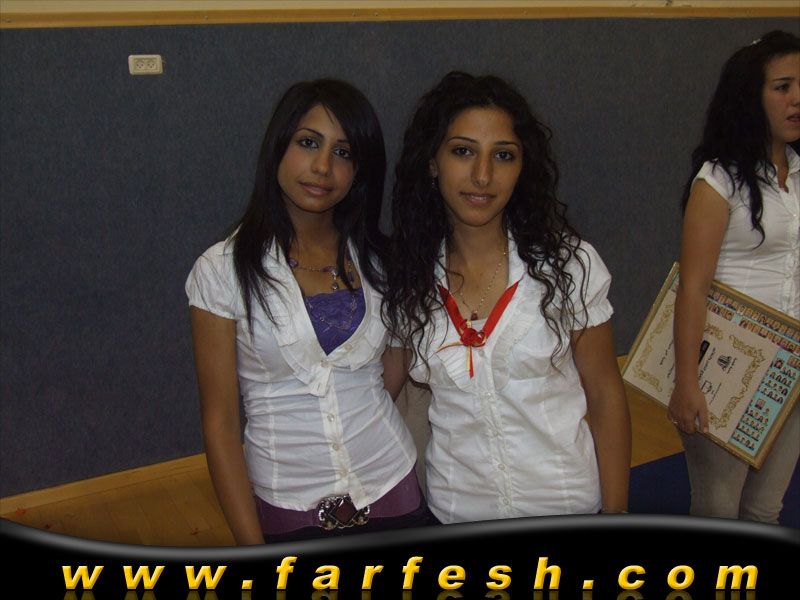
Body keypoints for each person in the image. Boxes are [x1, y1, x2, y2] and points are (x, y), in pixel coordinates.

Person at [186, 79, 431, 544]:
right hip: (289, 507)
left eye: (343, 152)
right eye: (308, 143)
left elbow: (393, 364)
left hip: (393, 486)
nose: (322, 167)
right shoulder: (221, 270)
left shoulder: (381, 262)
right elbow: (220, 425)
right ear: (278, 147)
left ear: (359, 170)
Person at [383, 72, 631, 524]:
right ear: (433, 162)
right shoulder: (406, 280)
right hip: (458, 514)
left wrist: (616, 515)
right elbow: (376, 393)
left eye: (503, 155)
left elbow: (605, 393)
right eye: (462, 151)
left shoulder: (569, 266)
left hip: (567, 508)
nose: (483, 175)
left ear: (522, 167)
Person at [667, 30, 800, 523]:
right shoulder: (718, 180)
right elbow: (692, 288)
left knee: (764, 509)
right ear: (751, 96)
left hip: (791, 369)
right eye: (782, 87)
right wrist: (687, 381)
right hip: (726, 366)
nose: (797, 99)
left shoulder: (799, 172)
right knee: (719, 508)